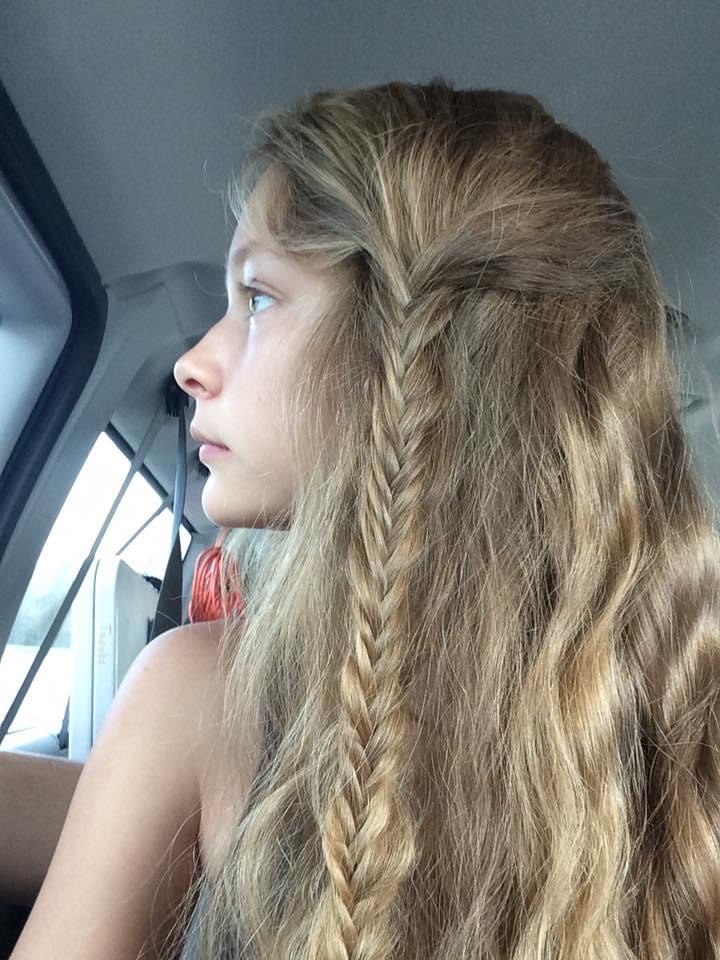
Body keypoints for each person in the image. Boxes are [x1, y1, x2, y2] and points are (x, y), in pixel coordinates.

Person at [12, 77, 720, 960]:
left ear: (418, 350)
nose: (193, 362)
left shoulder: (205, 696)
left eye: (257, 298)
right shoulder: (683, 709)